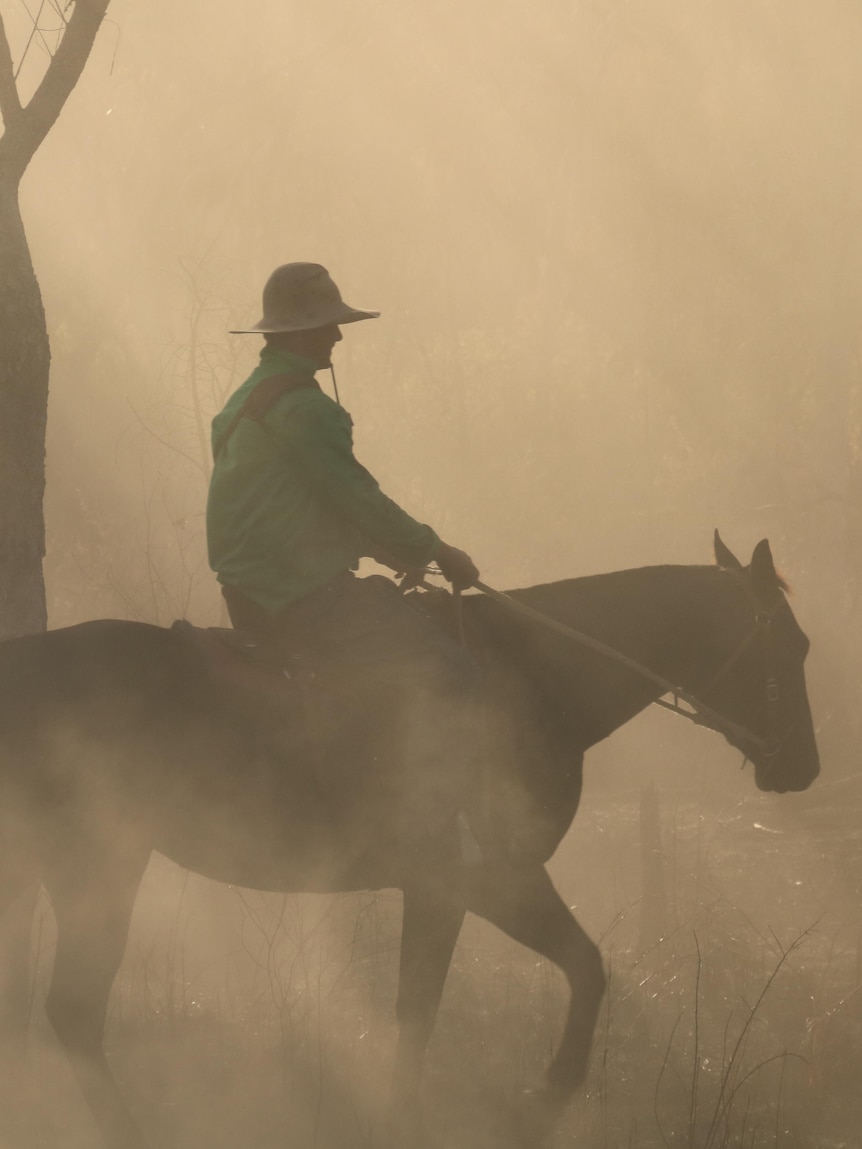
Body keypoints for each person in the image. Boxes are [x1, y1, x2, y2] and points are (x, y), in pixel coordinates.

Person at [206, 262, 483, 863]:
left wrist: (381, 550)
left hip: (253, 592)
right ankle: (422, 826)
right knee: (449, 671)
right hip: (298, 596)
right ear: (294, 335)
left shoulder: (242, 403)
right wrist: (436, 551)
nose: (337, 337)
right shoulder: (307, 410)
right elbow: (356, 496)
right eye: (326, 326)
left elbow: (295, 507)